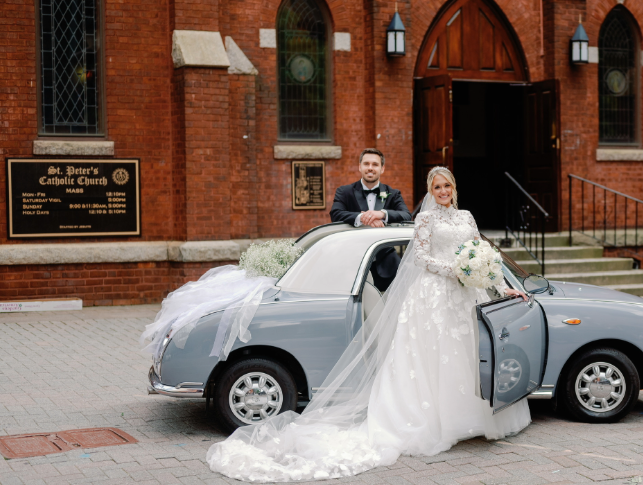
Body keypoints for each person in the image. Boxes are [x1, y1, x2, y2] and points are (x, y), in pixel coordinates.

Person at [207, 166, 531, 483]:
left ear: (454, 188)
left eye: (447, 186)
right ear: (430, 192)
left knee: (467, 357)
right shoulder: (425, 218)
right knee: (433, 358)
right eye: (437, 188)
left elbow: (482, 256)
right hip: (434, 297)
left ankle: (470, 419)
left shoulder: (467, 217)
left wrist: (504, 287)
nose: (443, 192)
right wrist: (456, 269)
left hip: (464, 298)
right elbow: (420, 258)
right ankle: (439, 422)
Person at [330, 148, 411, 290]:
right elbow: (335, 214)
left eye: (375, 164)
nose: (370, 168)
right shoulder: (344, 192)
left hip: (387, 263)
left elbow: (406, 215)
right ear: (359, 167)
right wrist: (362, 217)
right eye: (366, 164)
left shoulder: (393, 193)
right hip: (352, 263)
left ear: (382, 168)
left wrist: (382, 214)